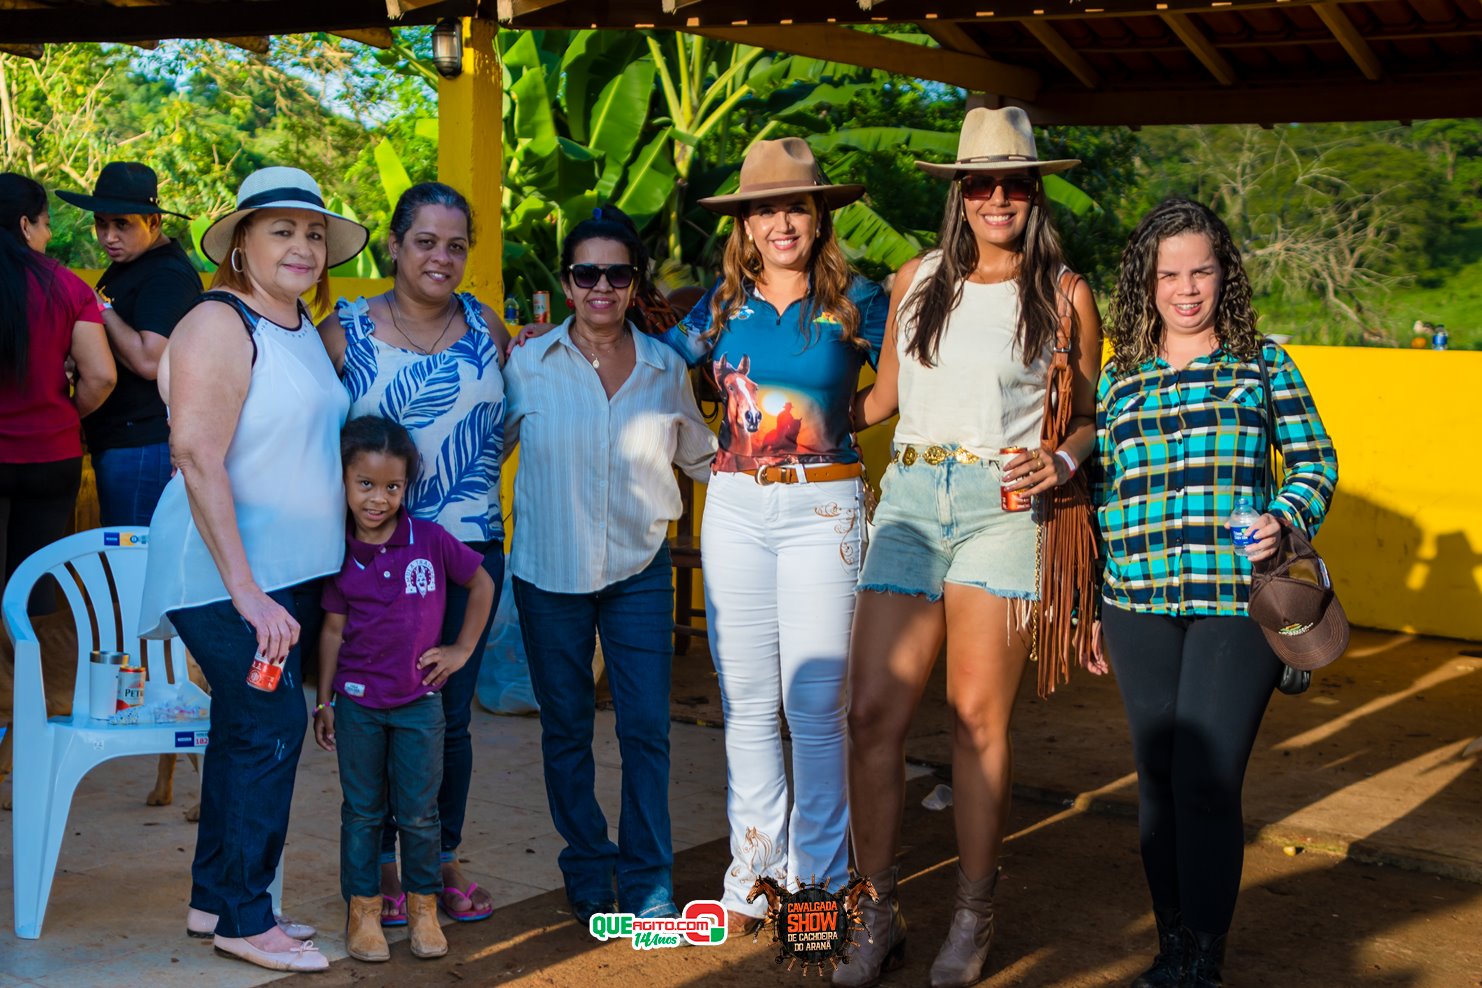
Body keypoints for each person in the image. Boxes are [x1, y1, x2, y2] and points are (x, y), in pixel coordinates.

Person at [843, 107, 1102, 988]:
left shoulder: (1065, 293)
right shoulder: (913, 278)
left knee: (974, 721)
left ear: (1034, 193)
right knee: (872, 714)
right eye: (980, 183)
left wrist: (1062, 456)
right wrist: (785, 419)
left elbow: (1092, 419)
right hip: (912, 500)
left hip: (1003, 507)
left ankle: (972, 914)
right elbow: (880, 399)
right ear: (958, 193)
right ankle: (875, 913)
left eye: (1015, 183)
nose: (998, 197)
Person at [1096, 198, 1338, 988]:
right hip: (1135, 604)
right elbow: (1102, 492)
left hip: (1236, 604)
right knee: (1158, 782)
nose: (1186, 288)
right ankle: (1170, 945)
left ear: (1223, 274)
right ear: (1147, 282)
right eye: (1169, 274)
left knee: (1206, 782)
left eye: (1201, 269)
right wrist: (1089, 608)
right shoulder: (1118, 376)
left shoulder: (1261, 363)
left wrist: (1283, 515)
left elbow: (1315, 463)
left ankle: (1203, 954)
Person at [137, 166, 368, 973]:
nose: (302, 246)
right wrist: (245, 591)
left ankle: (215, 899)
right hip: (224, 575)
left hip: (283, 575)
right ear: (241, 244)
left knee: (245, 729)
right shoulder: (217, 321)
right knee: (270, 730)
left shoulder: (301, 326)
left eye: (312, 233)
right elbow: (197, 457)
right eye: (281, 230)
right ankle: (245, 916)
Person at [662, 138, 888, 935]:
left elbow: (895, 387)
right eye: (764, 208)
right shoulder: (719, 307)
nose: (781, 221)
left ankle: (816, 885)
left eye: (795, 205)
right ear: (745, 224)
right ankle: (753, 872)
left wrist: (823, 430)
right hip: (736, 509)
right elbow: (654, 366)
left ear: (818, 213)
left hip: (824, 511)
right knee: (749, 704)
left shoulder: (862, 300)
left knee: (816, 706)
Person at [504, 206, 716, 924]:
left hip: (639, 568)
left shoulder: (664, 368)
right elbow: (481, 449)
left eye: (616, 273)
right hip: (547, 572)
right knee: (565, 727)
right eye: (587, 272)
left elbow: (708, 460)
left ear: (634, 283)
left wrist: (796, 460)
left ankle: (649, 874)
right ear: (568, 283)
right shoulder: (526, 364)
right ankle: (587, 863)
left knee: (645, 728)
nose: (601, 285)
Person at [317, 181, 511, 926]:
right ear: (394, 245)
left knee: (447, 718)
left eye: (456, 245)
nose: (442, 257)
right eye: (425, 241)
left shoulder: (486, 328)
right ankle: (382, 867)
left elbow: (503, 425)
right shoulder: (346, 331)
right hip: (370, 557)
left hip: (462, 550)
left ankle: (440, 857)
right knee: (371, 713)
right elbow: (305, 423)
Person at [313, 415, 495, 964]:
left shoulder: (430, 540)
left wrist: (461, 650)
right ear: (343, 483)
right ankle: (364, 909)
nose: (378, 499)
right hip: (358, 706)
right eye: (365, 485)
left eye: (392, 487)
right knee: (363, 812)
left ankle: (422, 909)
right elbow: (332, 631)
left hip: (420, 704)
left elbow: (482, 581)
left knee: (419, 813)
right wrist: (323, 701)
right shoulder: (335, 550)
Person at [56, 162, 200, 526]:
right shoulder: (129, 264)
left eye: (122, 224)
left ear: (153, 223)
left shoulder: (166, 274)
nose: (108, 236)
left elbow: (150, 361)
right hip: (121, 444)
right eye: (102, 223)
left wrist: (98, 306)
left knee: (131, 570)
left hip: (141, 448)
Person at [0, 173, 115, 611]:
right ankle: (26, 672)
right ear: (26, 225)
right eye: (47, 225)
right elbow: (101, 376)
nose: (48, 236)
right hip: (51, 456)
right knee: (32, 582)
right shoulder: (67, 285)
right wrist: (66, 415)